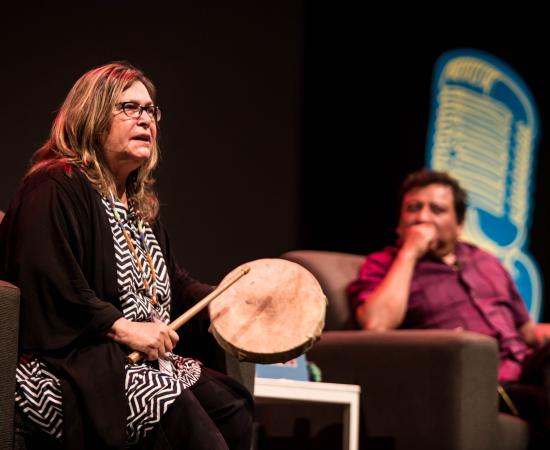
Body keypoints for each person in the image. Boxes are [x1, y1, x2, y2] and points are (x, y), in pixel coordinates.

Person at [0, 62, 253, 450]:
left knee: (232, 406)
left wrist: (224, 300)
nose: (145, 119)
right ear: (93, 115)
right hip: (72, 365)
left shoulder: (137, 204)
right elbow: (52, 281)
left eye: (150, 110)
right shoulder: (54, 186)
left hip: (139, 363)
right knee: (178, 414)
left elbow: (173, 283)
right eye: (129, 108)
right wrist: (121, 327)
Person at [348, 169, 550, 447]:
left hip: (527, 366)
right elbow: (376, 323)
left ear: (459, 225)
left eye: (437, 209)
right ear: (399, 223)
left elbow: (526, 331)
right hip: (479, 379)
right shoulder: (384, 264)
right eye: (413, 208)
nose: (422, 217)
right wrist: (410, 252)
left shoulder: (486, 261)